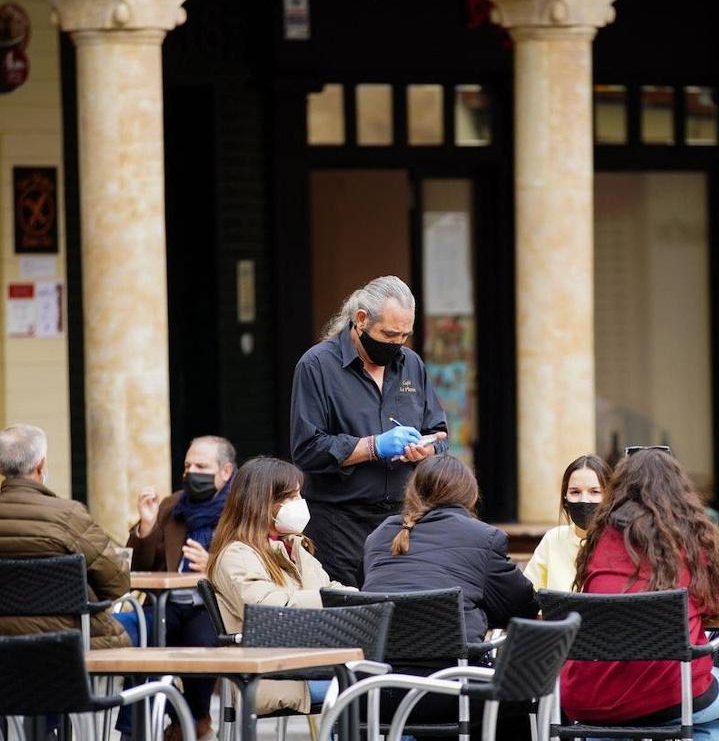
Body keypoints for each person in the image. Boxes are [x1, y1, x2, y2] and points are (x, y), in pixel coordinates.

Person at [559, 449, 719, 741]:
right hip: (671, 694)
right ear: (681, 493)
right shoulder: (692, 543)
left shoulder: (599, 541)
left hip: (590, 699)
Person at [290, 275, 449, 587]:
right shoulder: (316, 366)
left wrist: (427, 449)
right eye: (389, 335)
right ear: (361, 320)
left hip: (402, 521)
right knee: (350, 620)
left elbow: (439, 435)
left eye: (405, 335)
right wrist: (372, 446)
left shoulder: (411, 365)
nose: (396, 345)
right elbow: (307, 449)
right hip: (340, 523)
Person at [363, 455, 537, 737]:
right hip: (449, 691)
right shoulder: (483, 537)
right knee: (521, 690)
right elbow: (522, 608)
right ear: (470, 495)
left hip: (372, 691)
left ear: (412, 492)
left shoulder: (378, 537)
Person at [0, 424, 133, 649]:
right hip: (72, 645)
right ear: (41, 464)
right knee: (141, 627)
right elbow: (117, 583)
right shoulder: (69, 516)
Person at [207, 456, 353, 715]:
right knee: (374, 685)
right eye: (291, 497)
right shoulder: (237, 555)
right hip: (274, 678)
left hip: (309, 666)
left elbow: (329, 586)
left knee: (387, 678)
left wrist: (354, 598)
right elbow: (266, 610)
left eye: (299, 495)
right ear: (262, 503)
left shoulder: (294, 546)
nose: (299, 504)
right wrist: (333, 599)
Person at [126, 434, 237, 740]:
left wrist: (213, 564)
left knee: (201, 645)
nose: (191, 473)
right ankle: (140, 729)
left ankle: (193, 718)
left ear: (225, 472)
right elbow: (138, 566)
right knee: (140, 647)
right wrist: (146, 527)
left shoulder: (241, 508)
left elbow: (255, 557)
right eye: (188, 466)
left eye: (201, 465)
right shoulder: (172, 505)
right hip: (166, 603)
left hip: (212, 606)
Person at [522, 454, 612, 591]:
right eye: (575, 492)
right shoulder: (553, 539)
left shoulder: (621, 542)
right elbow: (528, 594)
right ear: (565, 498)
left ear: (609, 496)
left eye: (595, 492)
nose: (585, 500)